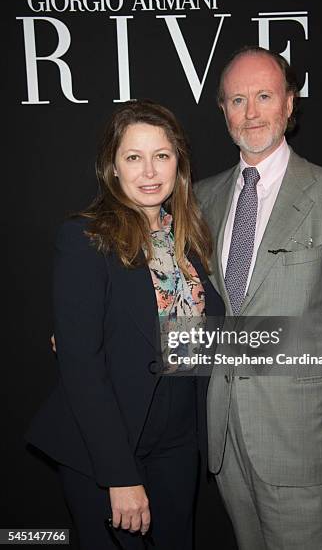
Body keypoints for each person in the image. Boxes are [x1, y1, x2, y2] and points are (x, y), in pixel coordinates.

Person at [194, 47, 322, 550]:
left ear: (289, 104)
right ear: (222, 109)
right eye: (238, 100)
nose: (251, 113)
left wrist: (287, 343)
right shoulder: (201, 197)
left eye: (264, 96)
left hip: (302, 439)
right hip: (225, 436)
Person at [25, 99, 225, 550]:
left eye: (162, 156)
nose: (149, 172)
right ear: (112, 168)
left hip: (178, 444)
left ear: (179, 164)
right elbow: (82, 369)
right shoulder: (84, 238)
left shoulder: (189, 237)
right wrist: (118, 475)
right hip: (108, 448)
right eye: (133, 157)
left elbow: (201, 339)